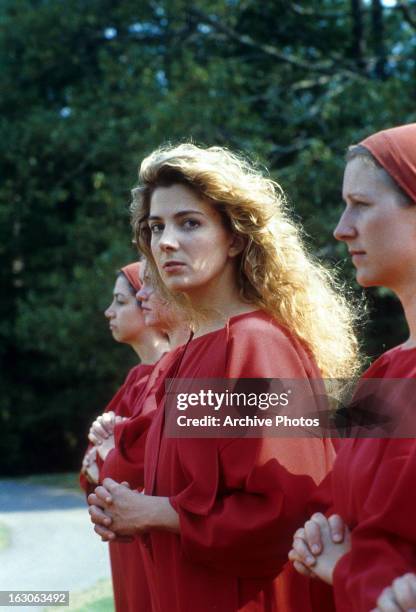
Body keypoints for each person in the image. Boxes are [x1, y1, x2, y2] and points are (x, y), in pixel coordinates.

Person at [88, 143, 360, 611]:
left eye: (189, 223)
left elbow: (288, 509)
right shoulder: (184, 354)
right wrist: (122, 506)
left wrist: (158, 513)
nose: (166, 242)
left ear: (235, 238)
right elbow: (177, 479)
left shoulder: (256, 345)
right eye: (156, 227)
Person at [289, 123, 416, 611]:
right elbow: (335, 513)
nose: (342, 228)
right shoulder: (381, 374)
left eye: (361, 205)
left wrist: (344, 567)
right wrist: (322, 540)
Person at [80, 260, 180, 612]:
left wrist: (112, 454)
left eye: (121, 301)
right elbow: (93, 462)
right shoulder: (138, 377)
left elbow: (134, 460)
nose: (109, 312)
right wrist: (105, 456)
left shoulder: (175, 374)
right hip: (128, 541)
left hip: (152, 538)